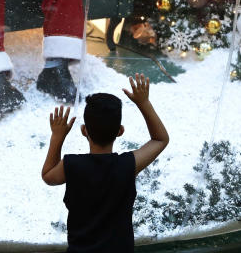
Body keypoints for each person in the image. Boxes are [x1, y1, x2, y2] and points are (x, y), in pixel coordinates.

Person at [41, 73, 169, 253]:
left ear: (84, 131)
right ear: (120, 131)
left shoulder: (71, 165)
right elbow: (160, 140)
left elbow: (48, 175)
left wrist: (57, 137)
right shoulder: (127, 165)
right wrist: (143, 103)